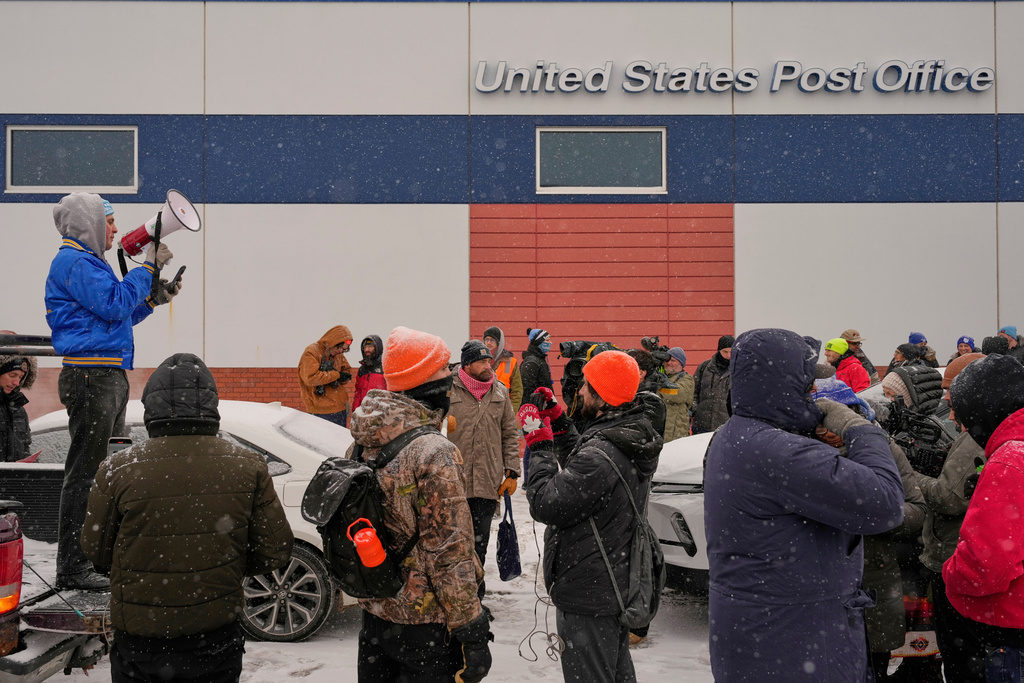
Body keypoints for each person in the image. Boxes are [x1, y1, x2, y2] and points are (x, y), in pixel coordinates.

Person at [703, 328, 904, 682]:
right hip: (798, 642)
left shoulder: (734, 434)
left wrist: (807, 421)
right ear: (780, 385)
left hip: (761, 632)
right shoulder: (780, 454)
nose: (813, 393)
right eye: (806, 384)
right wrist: (860, 429)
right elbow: (885, 502)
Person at [81, 353, 294, 683]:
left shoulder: (117, 468)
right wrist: (227, 564)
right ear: (211, 405)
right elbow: (275, 550)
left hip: (140, 639)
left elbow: (96, 550)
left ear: (151, 407)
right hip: (213, 637)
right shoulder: (247, 465)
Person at [45, 192, 178, 591]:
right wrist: (147, 268)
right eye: (111, 221)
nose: (117, 229)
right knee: (86, 475)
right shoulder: (74, 261)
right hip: (92, 376)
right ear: (89, 222)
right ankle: (72, 566)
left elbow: (118, 316)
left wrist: (154, 297)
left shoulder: (89, 263)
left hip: (106, 374)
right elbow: (115, 304)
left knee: (104, 473)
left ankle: (94, 559)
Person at [352, 327, 491, 683]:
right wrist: (472, 629)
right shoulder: (433, 451)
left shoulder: (364, 439)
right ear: (424, 379)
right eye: (444, 369)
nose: (450, 377)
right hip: (424, 626)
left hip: (376, 614)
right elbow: (449, 550)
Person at [524, 350, 662, 683]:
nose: (580, 391)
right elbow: (585, 462)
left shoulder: (602, 453)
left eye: (586, 385)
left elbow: (546, 502)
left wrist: (539, 446)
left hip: (589, 592)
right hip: (611, 583)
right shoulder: (627, 431)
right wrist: (557, 422)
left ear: (603, 394)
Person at [811, 377, 927, 681]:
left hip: (873, 577)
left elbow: (917, 509)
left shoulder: (882, 447)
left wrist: (877, 517)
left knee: (873, 664)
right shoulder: (802, 452)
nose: (824, 434)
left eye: (829, 426)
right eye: (818, 426)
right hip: (817, 581)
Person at [944, 354, 1024, 681]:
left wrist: (950, 573)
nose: (955, 420)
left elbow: (985, 564)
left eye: (961, 413)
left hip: (1013, 634)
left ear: (983, 412)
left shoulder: (1010, 460)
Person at [915, 353, 986, 682]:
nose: (946, 403)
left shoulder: (976, 437)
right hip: (963, 557)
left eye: (950, 393)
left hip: (954, 558)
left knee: (961, 656)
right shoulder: (980, 429)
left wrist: (909, 475)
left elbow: (948, 498)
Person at [447, 340, 520, 601]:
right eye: (482, 361)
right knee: (453, 544)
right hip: (453, 480)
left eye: (490, 360)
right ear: (467, 365)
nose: (488, 365)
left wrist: (511, 471)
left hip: (487, 481)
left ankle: (475, 599)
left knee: (479, 544)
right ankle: (455, 598)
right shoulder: (447, 388)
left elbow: (510, 434)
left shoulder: (499, 392)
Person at [297, 325, 354, 426]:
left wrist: (344, 377)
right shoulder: (311, 353)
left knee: (340, 441)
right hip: (321, 412)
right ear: (334, 342)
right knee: (322, 442)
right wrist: (336, 375)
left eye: (344, 349)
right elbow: (310, 378)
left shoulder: (337, 354)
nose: (341, 351)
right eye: (340, 347)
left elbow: (346, 369)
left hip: (340, 409)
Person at [691, 335, 733, 434]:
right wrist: (695, 409)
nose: (728, 356)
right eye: (725, 352)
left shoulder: (737, 370)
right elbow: (693, 391)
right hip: (701, 424)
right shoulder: (704, 367)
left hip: (725, 425)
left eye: (731, 352)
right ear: (719, 350)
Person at [0, 348, 36, 462]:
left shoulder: (18, 409)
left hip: (14, 478)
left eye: (20, 377)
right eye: (12, 375)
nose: (16, 382)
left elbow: (25, 449)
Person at [483, 326, 523, 413]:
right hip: (483, 410)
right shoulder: (478, 360)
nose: (489, 342)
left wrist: (511, 412)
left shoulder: (511, 362)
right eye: (486, 339)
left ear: (499, 342)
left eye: (492, 340)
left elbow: (517, 391)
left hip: (503, 409)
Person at [662, 347, 695, 442]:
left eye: (673, 360)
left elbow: (677, 393)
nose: (669, 363)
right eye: (667, 360)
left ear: (681, 363)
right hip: (661, 430)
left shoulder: (687, 379)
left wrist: (659, 386)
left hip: (675, 433)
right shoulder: (661, 377)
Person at [352, 334, 386, 411]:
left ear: (377, 348)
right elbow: (358, 392)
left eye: (370, 347)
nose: (367, 349)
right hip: (364, 413)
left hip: (381, 414)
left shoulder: (386, 367)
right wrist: (355, 410)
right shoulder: (362, 369)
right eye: (365, 347)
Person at [520, 327, 553, 399]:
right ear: (538, 343)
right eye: (547, 340)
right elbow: (526, 390)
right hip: (536, 408)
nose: (551, 343)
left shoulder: (540, 360)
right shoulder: (532, 363)